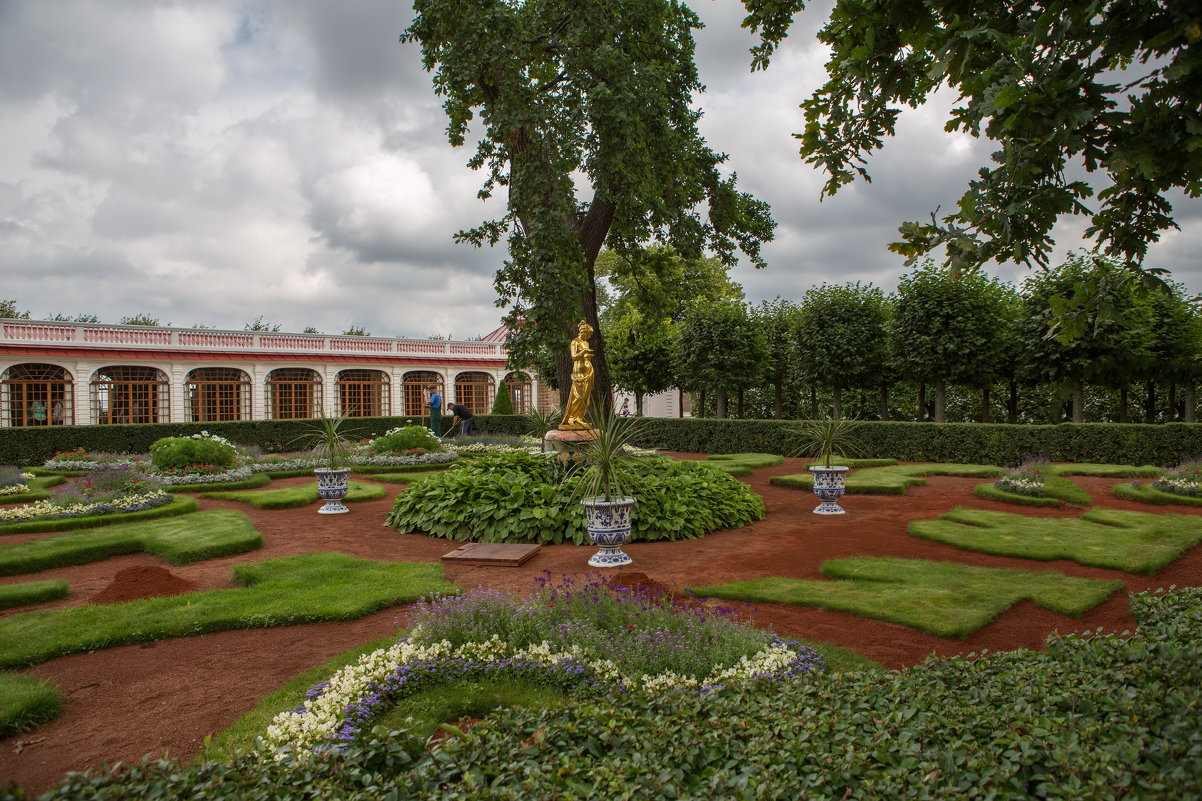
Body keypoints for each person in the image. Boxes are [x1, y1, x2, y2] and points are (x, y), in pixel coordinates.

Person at [559, 320, 594, 430]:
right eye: (588, 334)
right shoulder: (575, 341)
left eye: (590, 335)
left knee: (585, 396)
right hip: (578, 372)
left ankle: (579, 418)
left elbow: (584, 356)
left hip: (588, 371)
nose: (589, 336)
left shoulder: (586, 343)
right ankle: (571, 418)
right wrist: (584, 352)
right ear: (583, 332)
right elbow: (574, 357)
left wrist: (588, 355)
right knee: (579, 395)